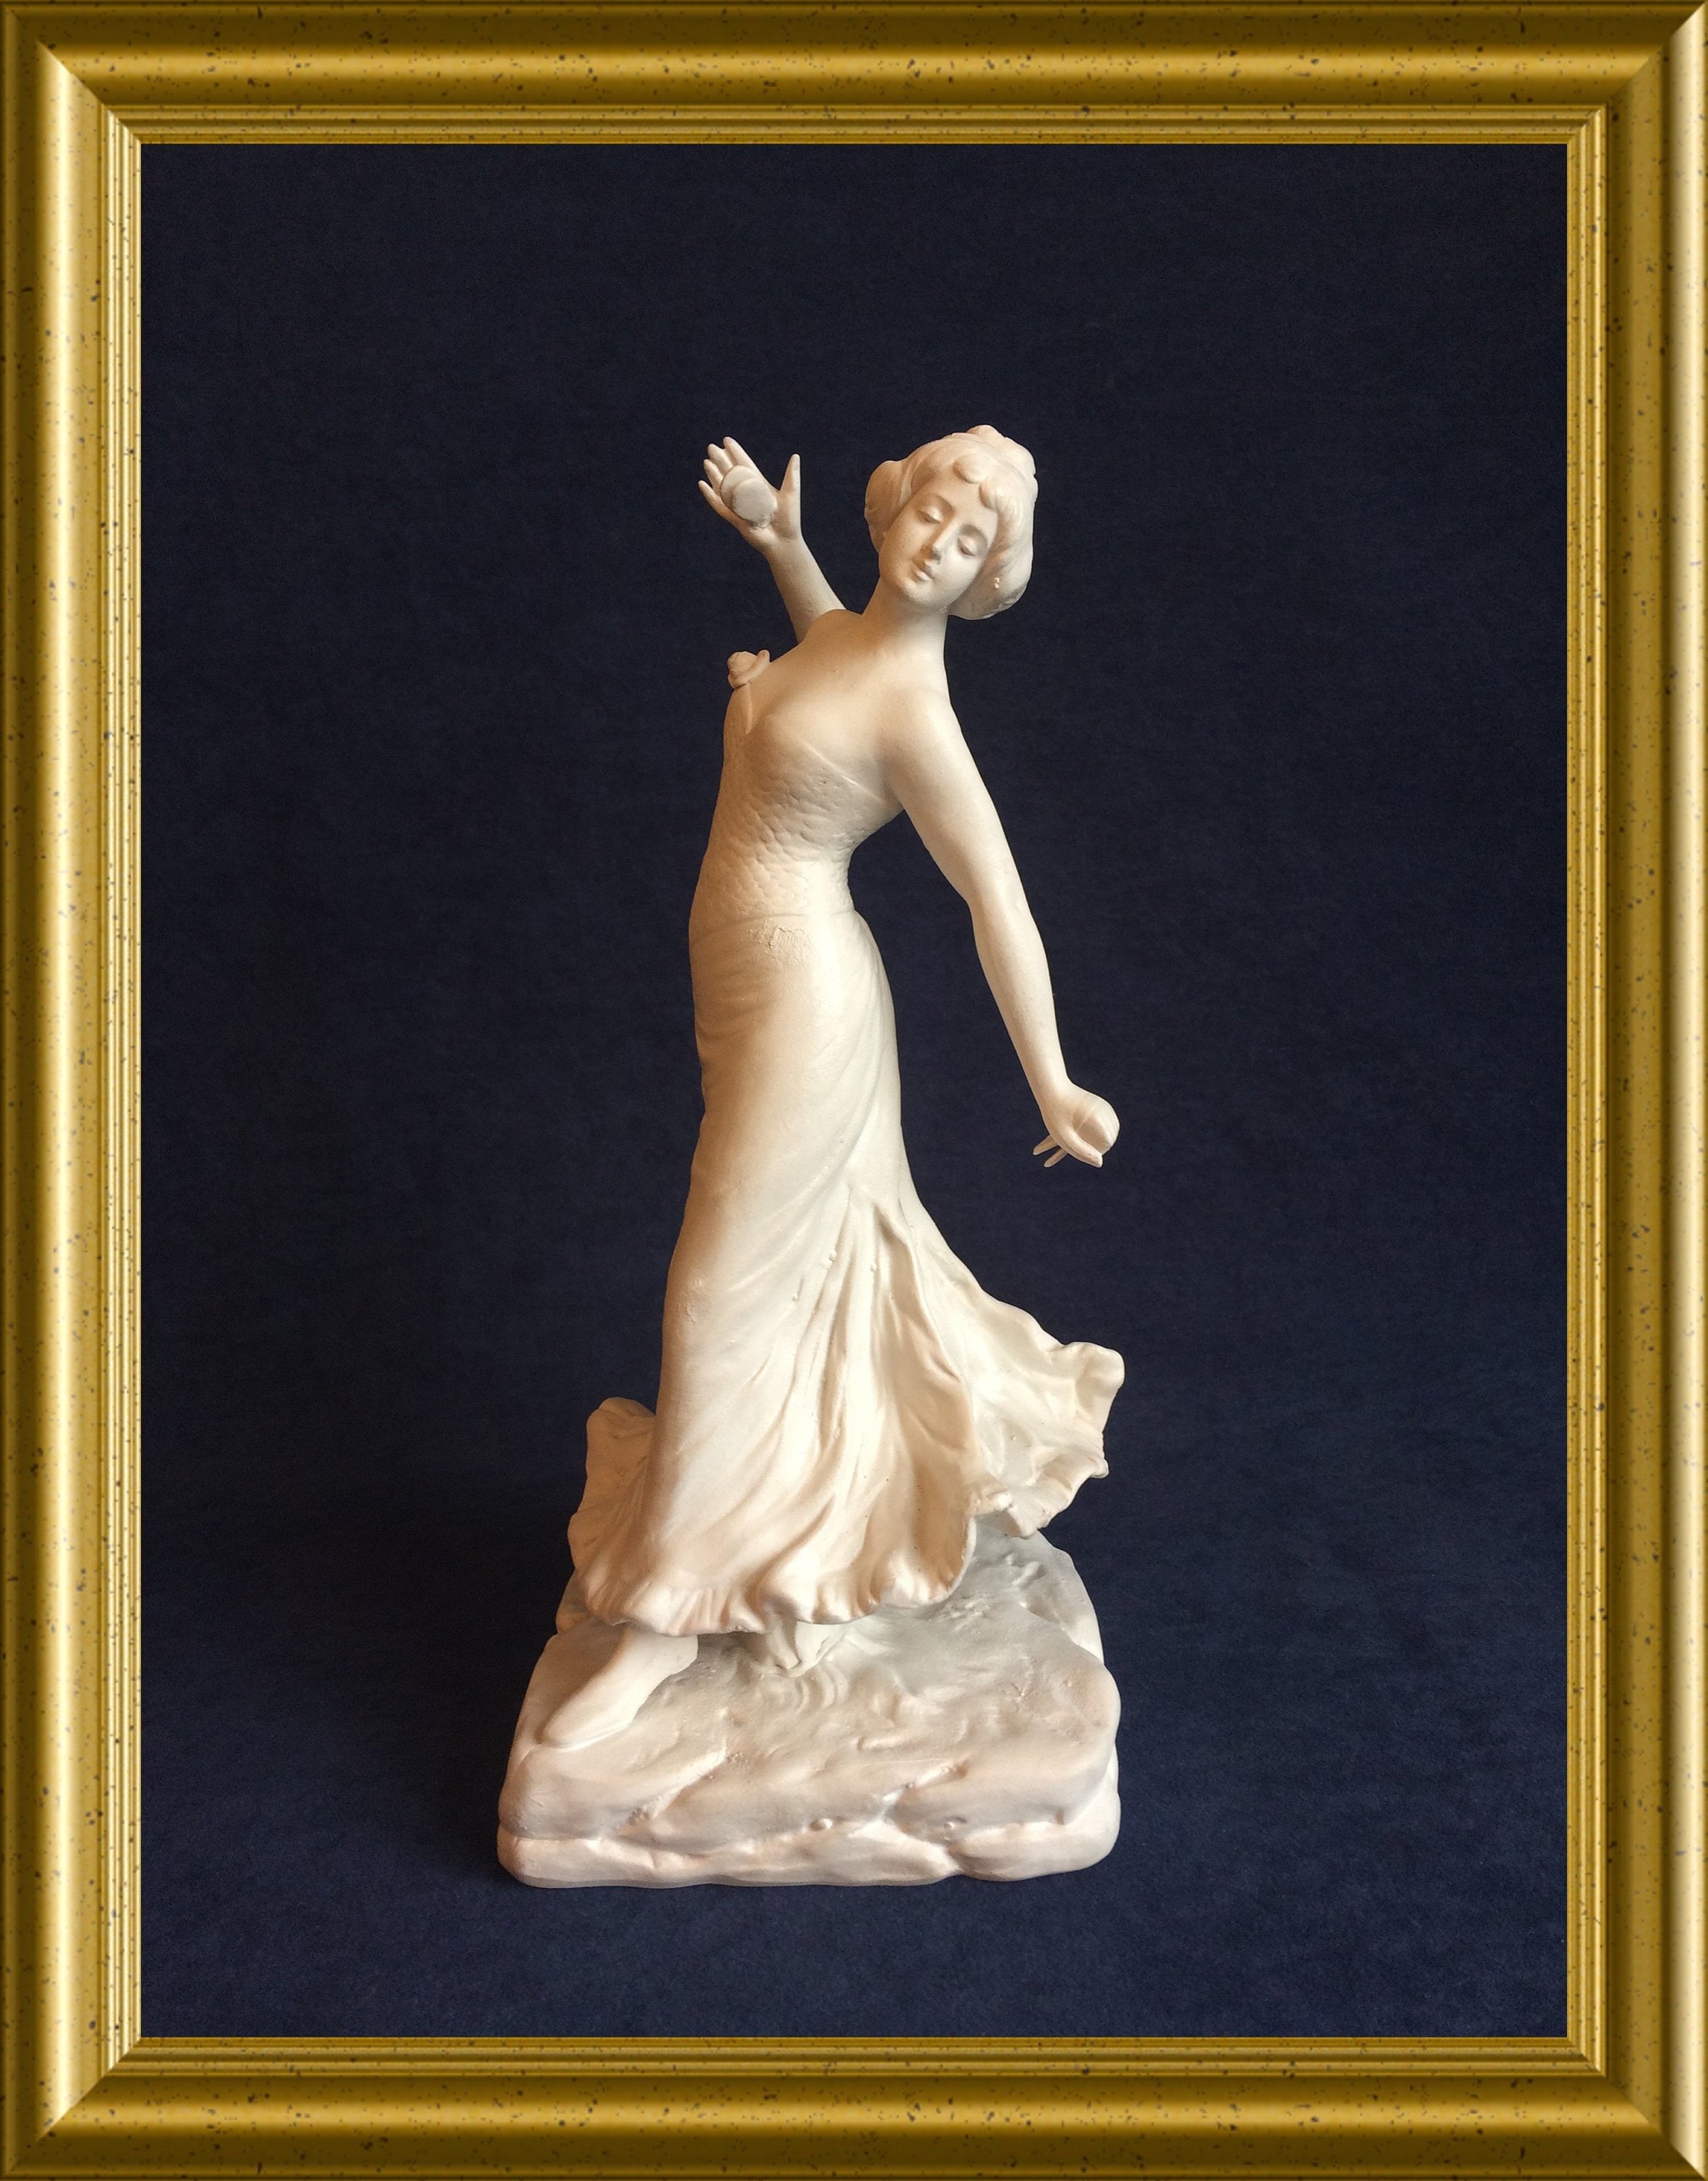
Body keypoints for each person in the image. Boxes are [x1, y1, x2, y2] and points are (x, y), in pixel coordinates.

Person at [542, 428, 1123, 1748]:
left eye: (968, 544)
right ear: (894, 508)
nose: (937, 547)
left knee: (720, 1288)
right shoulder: (848, 642)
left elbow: (995, 898)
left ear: (985, 577)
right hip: (742, 990)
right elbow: (823, 663)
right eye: (930, 514)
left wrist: (1050, 1078)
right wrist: (781, 544)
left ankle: (663, 1617)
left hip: (809, 998)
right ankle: (790, 1541)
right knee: (799, 1278)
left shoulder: (916, 712)